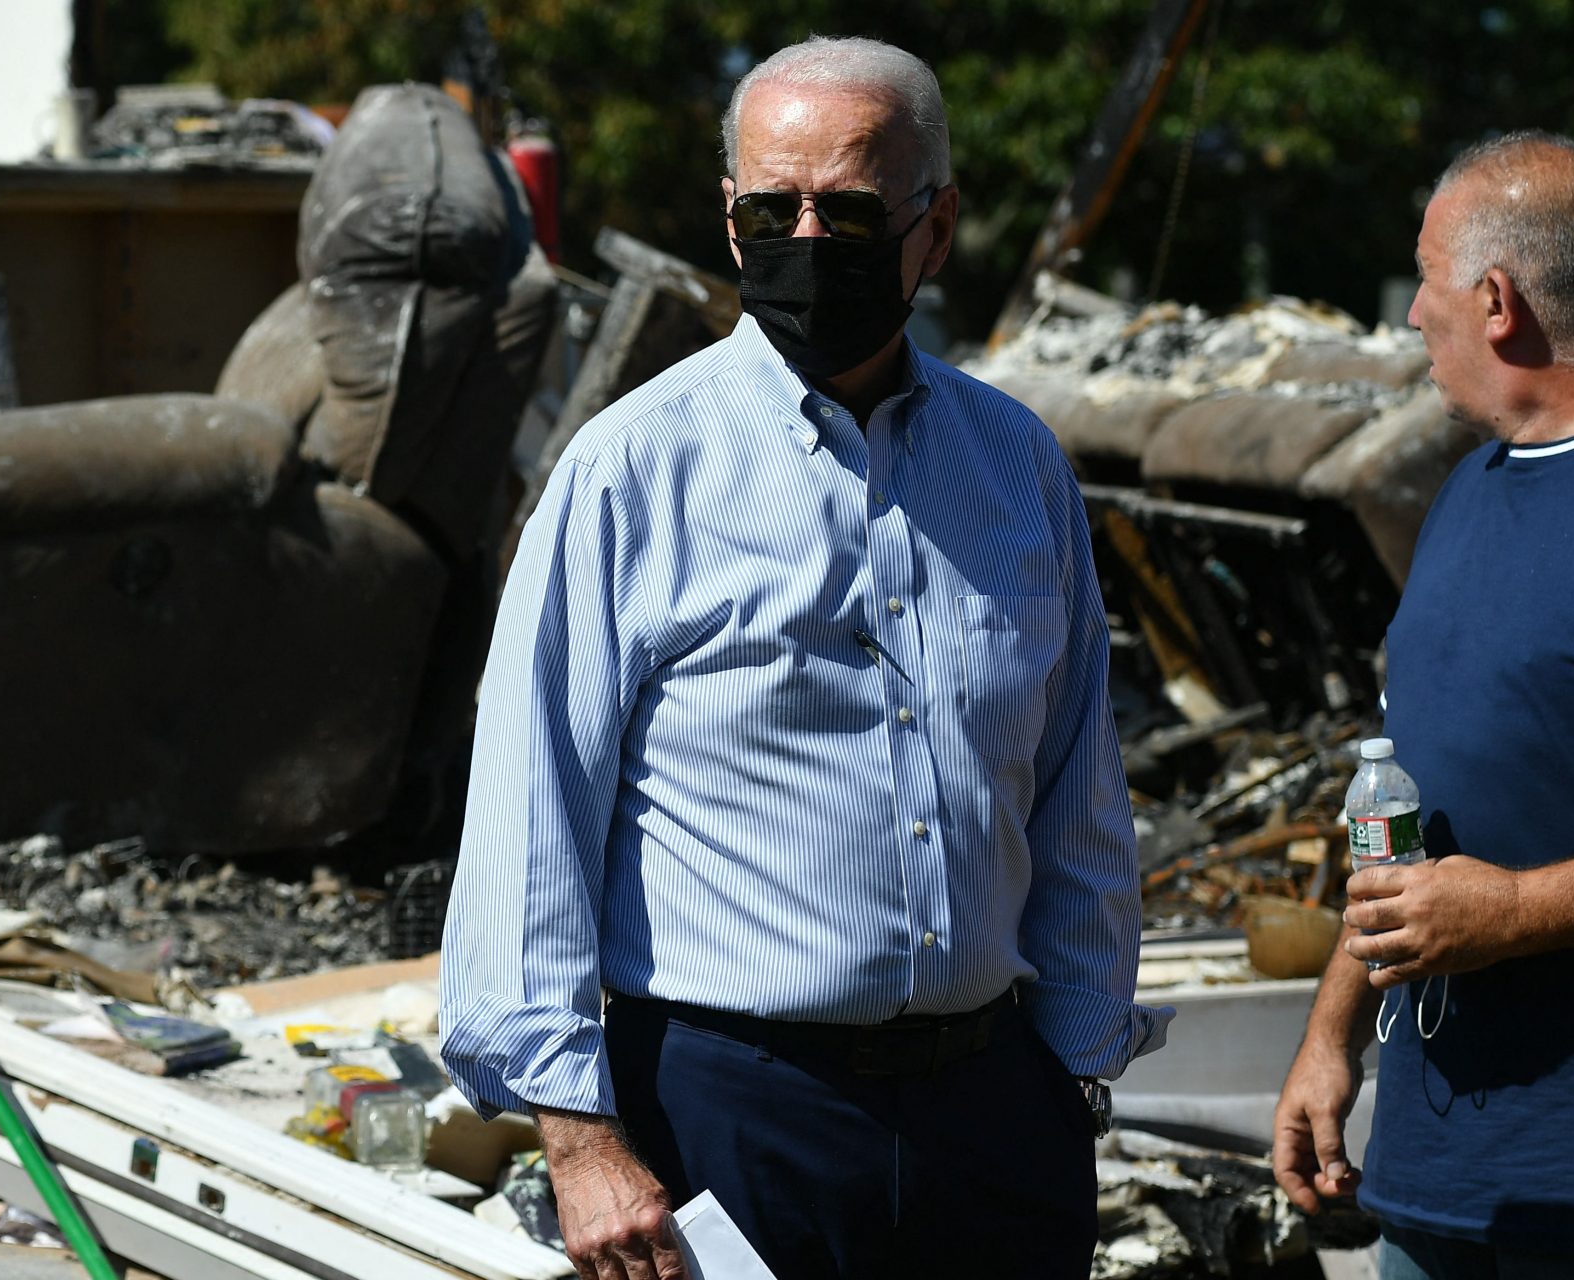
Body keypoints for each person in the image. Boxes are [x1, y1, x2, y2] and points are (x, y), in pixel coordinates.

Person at [437, 35, 1168, 1280]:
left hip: (990, 1116)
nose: (809, 238)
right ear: (729, 219)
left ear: (933, 229)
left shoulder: (1016, 466)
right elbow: (530, 817)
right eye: (774, 208)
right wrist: (578, 1141)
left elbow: (1076, 790)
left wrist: (1072, 1077)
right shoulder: (631, 473)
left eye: (850, 207)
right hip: (732, 1115)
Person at [1269, 132, 1574, 1277]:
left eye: (1427, 279)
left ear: (1497, 300)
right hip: (1437, 1194)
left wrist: (1511, 914)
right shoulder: (1466, 490)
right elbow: (1406, 804)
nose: (1412, 316)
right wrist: (1329, 1034)